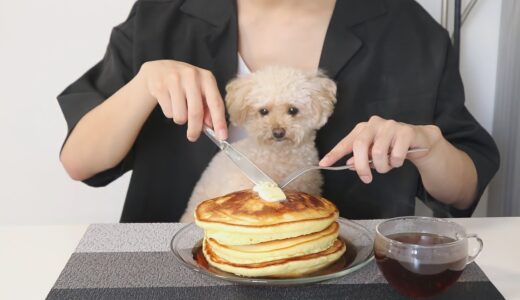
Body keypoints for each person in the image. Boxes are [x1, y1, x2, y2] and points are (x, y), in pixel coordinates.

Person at [58, 0, 499, 222]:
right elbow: (80, 162)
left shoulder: (406, 27)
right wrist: (143, 85)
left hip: (354, 274)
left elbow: (462, 190)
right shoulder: (163, 15)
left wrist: (429, 146)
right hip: (174, 271)